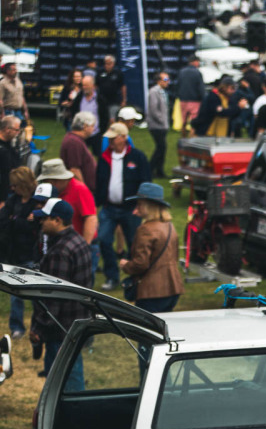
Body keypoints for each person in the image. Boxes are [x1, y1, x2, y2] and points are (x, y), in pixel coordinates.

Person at [29, 198, 89, 391]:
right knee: (71, 373)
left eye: (45, 218)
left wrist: (38, 329)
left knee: (62, 383)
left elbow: (53, 298)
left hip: (59, 329)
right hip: (78, 324)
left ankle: (70, 418)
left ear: (57, 220)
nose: (41, 222)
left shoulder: (59, 252)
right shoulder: (78, 241)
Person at [93, 123, 151, 291]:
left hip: (131, 208)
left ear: (124, 138)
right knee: (103, 240)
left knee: (134, 243)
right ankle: (112, 276)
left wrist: (141, 205)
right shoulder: (104, 157)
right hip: (109, 208)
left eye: (114, 138)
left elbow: (145, 182)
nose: (110, 141)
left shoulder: (138, 157)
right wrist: (97, 204)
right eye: (109, 138)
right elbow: (99, 182)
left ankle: (135, 276)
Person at [118, 183, 183, 313]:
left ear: (149, 205)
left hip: (152, 291)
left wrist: (125, 265)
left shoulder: (145, 229)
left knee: (147, 332)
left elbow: (140, 264)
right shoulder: (169, 226)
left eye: (140, 204)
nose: (136, 209)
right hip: (173, 288)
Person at [1, 167, 39, 337]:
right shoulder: (13, 200)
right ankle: (17, 327)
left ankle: (36, 326)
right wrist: (20, 221)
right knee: (15, 295)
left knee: (36, 295)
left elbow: (34, 226)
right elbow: (3, 219)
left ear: (22, 185)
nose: (12, 188)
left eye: (15, 185)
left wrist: (14, 221)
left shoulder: (36, 202)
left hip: (30, 254)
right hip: (14, 254)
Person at [37, 159, 97, 253]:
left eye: (46, 181)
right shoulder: (55, 191)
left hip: (79, 246)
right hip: (63, 245)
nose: (44, 184)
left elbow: (91, 218)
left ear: (55, 181)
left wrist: (84, 247)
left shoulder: (80, 190)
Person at [68, 76, 108, 156]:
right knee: (79, 156)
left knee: (99, 156)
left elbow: (105, 116)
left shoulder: (100, 99)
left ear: (93, 86)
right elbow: (73, 113)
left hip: (96, 134)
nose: (84, 87)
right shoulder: (79, 99)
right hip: (81, 134)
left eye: (86, 85)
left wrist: (101, 131)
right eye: (83, 85)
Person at [146, 71, 171, 179]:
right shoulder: (154, 92)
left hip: (162, 125)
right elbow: (153, 109)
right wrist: (161, 121)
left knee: (162, 148)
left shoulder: (162, 92)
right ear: (158, 81)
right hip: (156, 125)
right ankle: (150, 169)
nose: (167, 82)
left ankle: (159, 171)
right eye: (165, 80)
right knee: (161, 147)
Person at [176, 56, 205, 134]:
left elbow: (177, 85)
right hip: (195, 101)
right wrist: (203, 99)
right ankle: (192, 140)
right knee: (194, 122)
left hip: (183, 100)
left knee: (184, 121)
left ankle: (183, 138)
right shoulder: (197, 72)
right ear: (195, 61)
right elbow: (200, 88)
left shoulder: (181, 71)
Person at [95, 55, 126, 121]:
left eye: (109, 64)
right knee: (103, 119)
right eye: (106, 63)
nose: (107, 65)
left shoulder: (118, 73)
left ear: (113, 64)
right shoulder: (100, 72)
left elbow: (123, 87)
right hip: (102, 101)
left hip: (114, 101)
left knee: (112, 119)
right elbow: (95, 86)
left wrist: (124, 100)